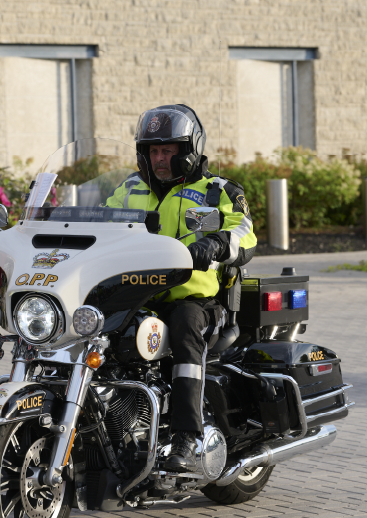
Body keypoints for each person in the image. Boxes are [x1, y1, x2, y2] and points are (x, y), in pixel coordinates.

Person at [105, 105, 256, 472]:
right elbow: (100, 223)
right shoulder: (129, 188)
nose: (159, 158)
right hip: (136, 296)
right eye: (153, 151)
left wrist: (215, 244)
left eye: (167, 150)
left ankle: (187, 437)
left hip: (194, 300)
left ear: (188, 150)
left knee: (185, 327)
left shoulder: (217, 191)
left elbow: (244, 232)